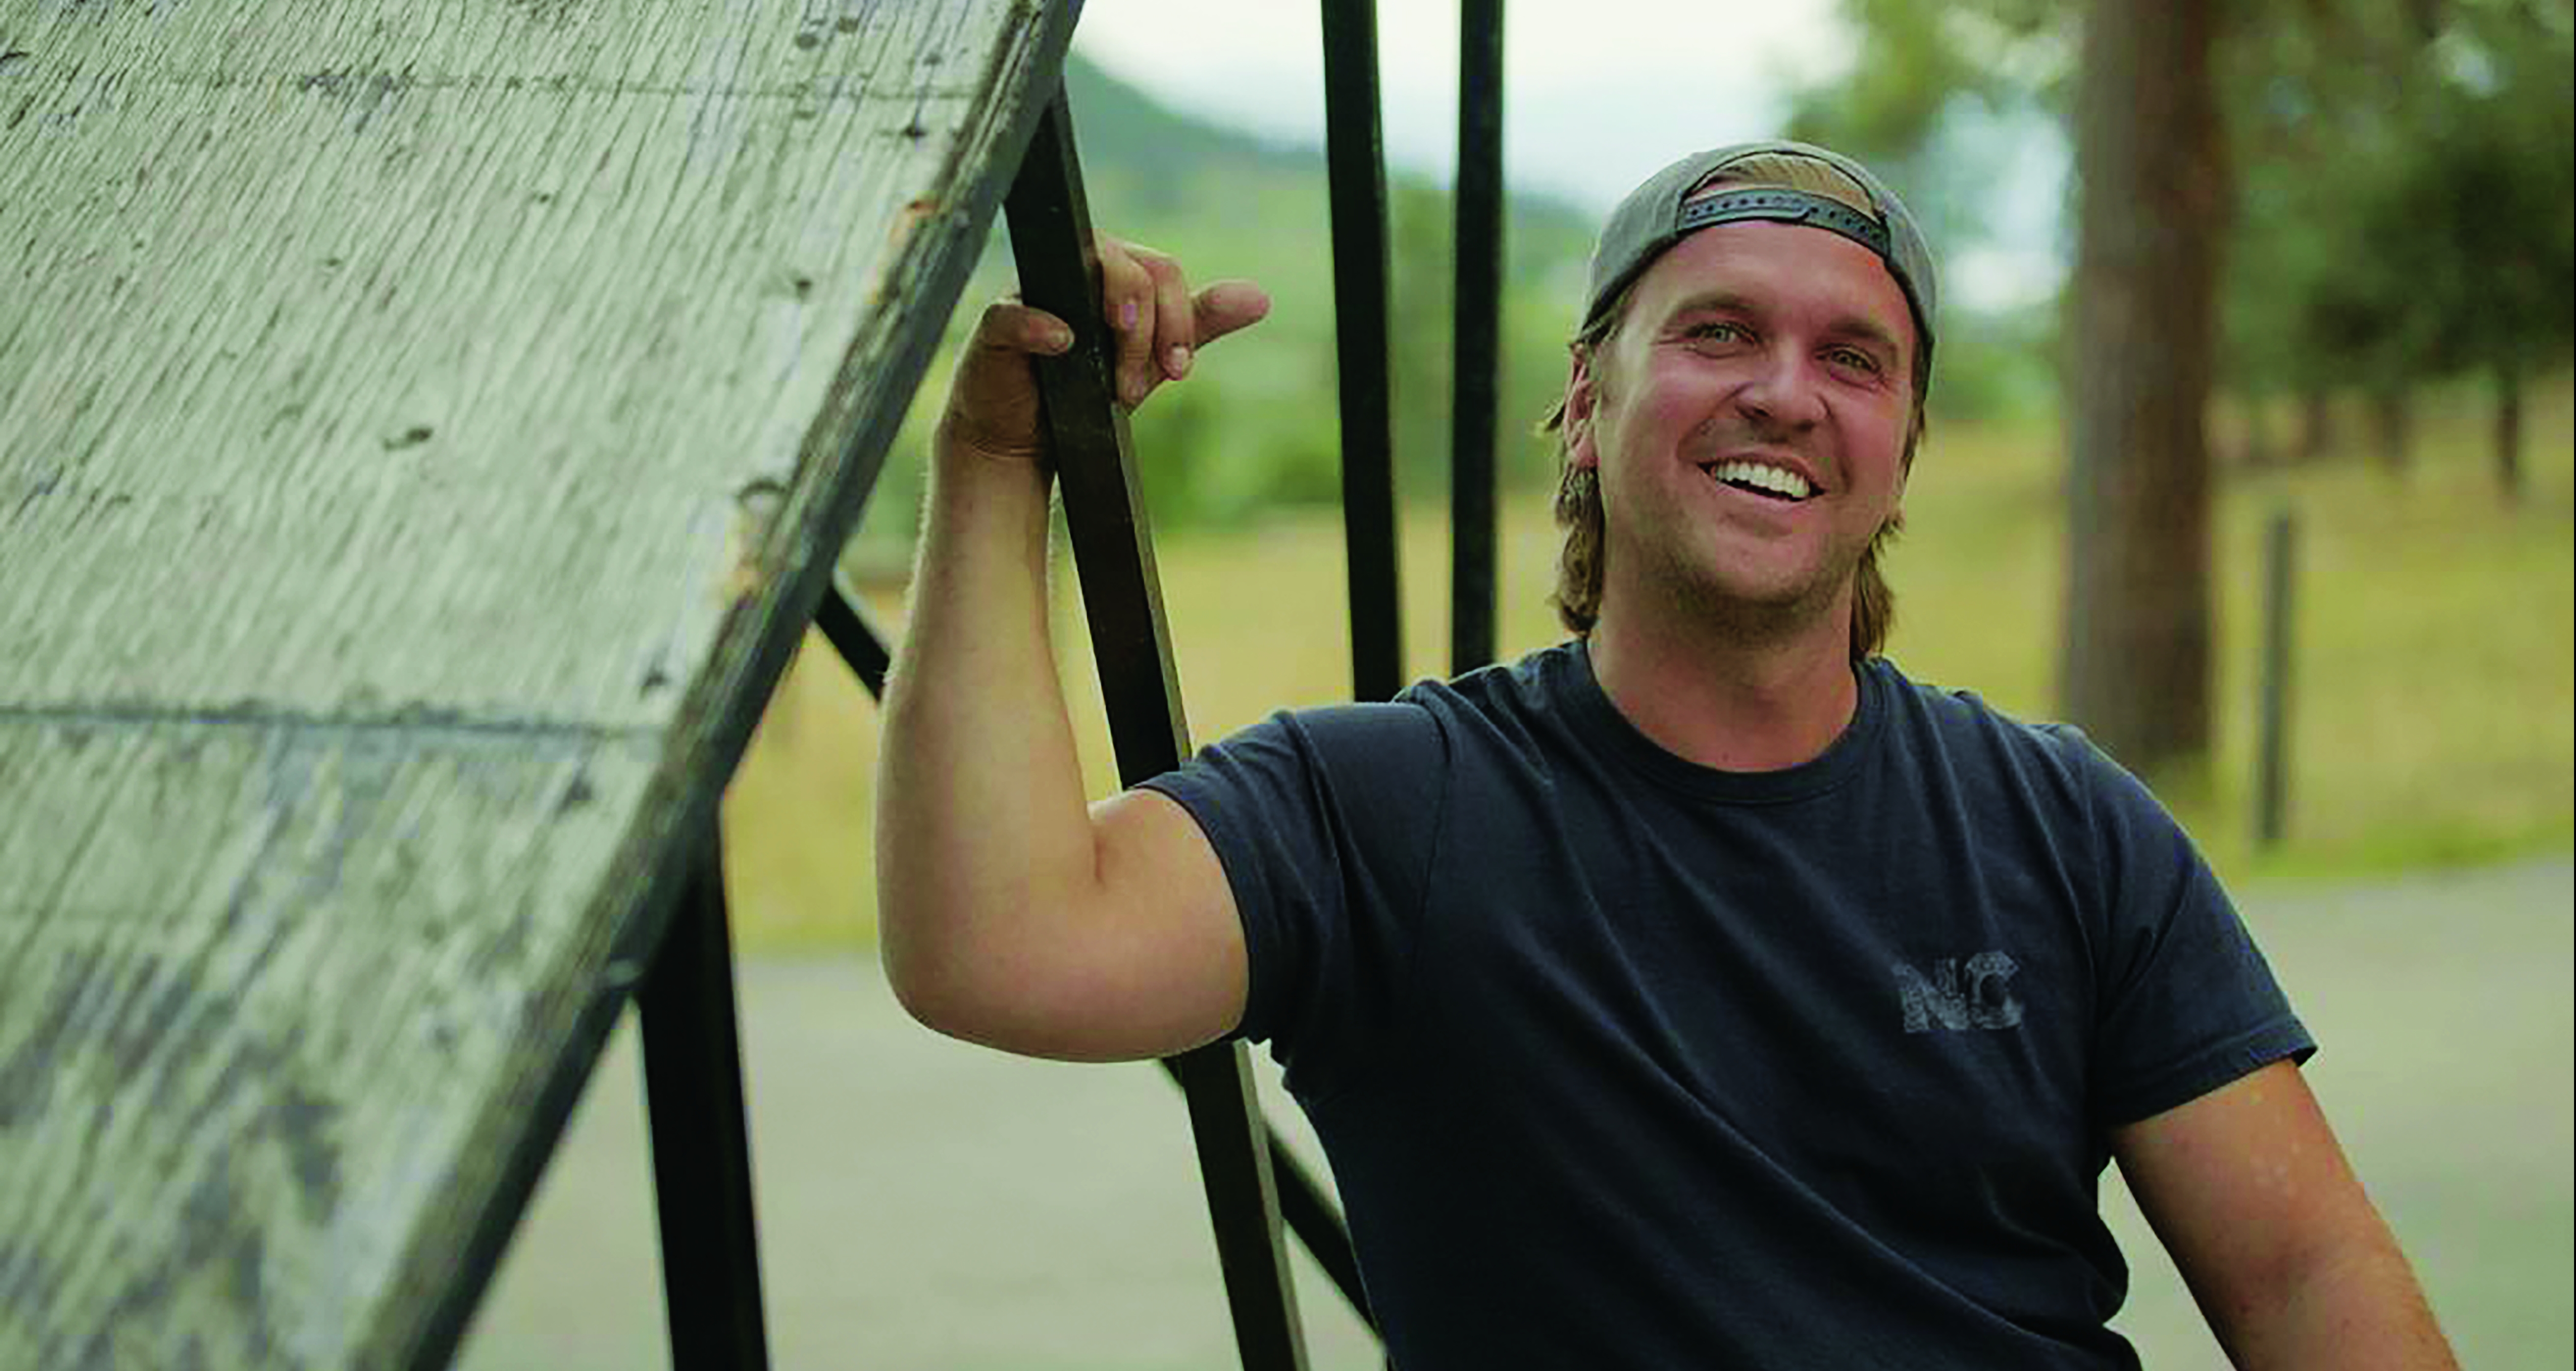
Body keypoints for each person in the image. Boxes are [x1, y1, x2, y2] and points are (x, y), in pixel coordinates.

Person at [876, 139, 2457, 1369]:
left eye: (1856, 358)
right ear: (1585, 398)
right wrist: (1002, 454)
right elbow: (1002, 943)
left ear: (1902, 448)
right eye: (1718, 331)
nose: (1786, 389)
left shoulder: (2061, 822)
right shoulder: (1387, 810)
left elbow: (2306, 1274)